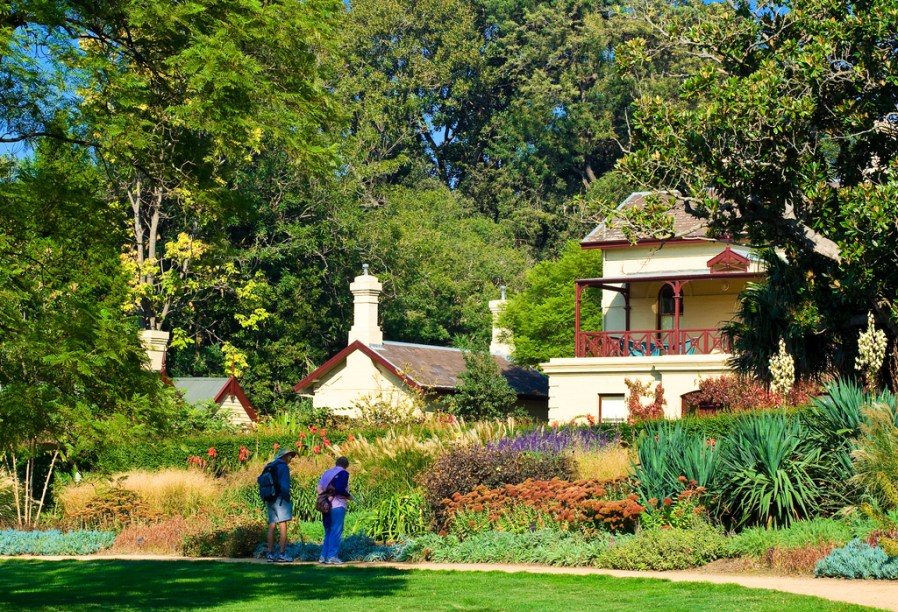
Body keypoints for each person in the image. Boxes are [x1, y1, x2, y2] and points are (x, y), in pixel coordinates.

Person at [317, 456, 354, 564]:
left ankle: (323, 556)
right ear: (346, 465)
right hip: (337, 505)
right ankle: (332, 556)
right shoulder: (344, 473)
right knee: (336, 531)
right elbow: (340, 489)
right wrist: (348, 496)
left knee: (328, 530)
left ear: (336, 463)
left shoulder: (327, 472)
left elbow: (319, 488)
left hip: (325, 505)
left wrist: (326, 496)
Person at [266, 448, 296, 563]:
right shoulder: (283, 467)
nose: (291, 459)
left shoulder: (270, 465)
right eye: (290, 456)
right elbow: (284, 486)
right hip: (280, 499)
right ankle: (282, 554)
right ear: (286, 456)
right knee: (283, 524)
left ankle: (270, 554)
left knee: (272, 525)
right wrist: (287, 497)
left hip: (270, 497)